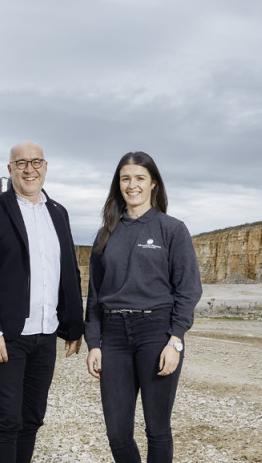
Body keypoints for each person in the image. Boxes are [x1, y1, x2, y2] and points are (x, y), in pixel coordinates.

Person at [0, 140, 85, 462]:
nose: (29, 169)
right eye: (21, 163)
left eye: (36, 162)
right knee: (8, 420)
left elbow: (68, 272)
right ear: (10, 170)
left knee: (32, 418)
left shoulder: (58, 213)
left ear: (45, 167)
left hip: (45, 335)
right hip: (7, 336)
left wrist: (74, 326)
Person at [84, 151, 202, 463]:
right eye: (125, 178)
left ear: (153, 185)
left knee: (157, 429)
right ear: (118, 184)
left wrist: (175, 340)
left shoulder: (172, 229)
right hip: (113, 338)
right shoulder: (105, 234)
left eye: (139, 178)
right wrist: (93, 344)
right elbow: (94, 296)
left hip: (156, 334)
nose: (131, 184)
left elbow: (188, 290)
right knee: (118, 433)